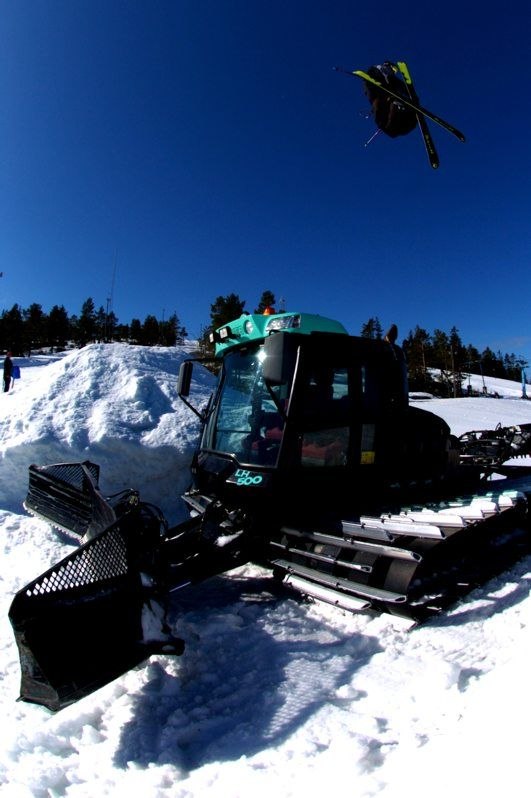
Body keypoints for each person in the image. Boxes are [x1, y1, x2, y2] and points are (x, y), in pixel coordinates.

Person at [364, 62, 417, 138]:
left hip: (385, 102)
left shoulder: (391, 79)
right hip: (378, 91)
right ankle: (407, 111)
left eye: (395, 71)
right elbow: (395, 83)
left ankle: (410, 113)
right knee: (385, 110)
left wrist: (411, 96)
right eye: (394, 69)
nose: (394, 71)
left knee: (396, 128)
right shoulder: (380, 69)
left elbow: (398, 85)